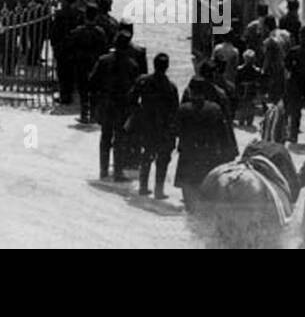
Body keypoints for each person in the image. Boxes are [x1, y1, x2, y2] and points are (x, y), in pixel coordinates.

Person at [175, 68, 238, 211]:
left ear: (191, 91)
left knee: (188, 199)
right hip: (208, 156)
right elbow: (224, 132)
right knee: (207, 197)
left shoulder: (183, 109)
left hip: (187, 155)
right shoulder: (215, 108)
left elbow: (176, 130)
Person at [93, 29, 142, 181]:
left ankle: (103, 170)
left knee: (105, 137)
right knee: (120, 139)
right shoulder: (132, 65)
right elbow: (135, 90)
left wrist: (98, 99)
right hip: (122, 107)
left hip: (107, 104)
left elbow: (92, 81)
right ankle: (118, 171)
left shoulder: (103, 60)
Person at [129, 52, 179, 199]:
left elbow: (131, 99)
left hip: (146, 125)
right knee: (162, 159)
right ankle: (159, 190)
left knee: (146, 156)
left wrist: (138, 113)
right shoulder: (170, 87)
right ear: (167, 67)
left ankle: (143, 187)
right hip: (163, 128)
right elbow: (175, 110)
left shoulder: (143, 81)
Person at [50, 0, 81, 107]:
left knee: (63, 73)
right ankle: (71, 95)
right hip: (73, 49)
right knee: (71, 72)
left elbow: (54, 32)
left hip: (62, 48)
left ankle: (65, 97)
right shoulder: (79, 13)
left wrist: (55, 46)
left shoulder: (60, 14)